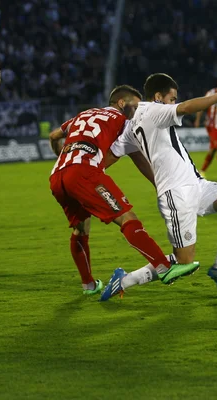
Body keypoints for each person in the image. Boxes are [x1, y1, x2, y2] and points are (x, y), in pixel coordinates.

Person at [100, 73, 217, 301]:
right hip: (176, 195)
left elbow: (111, 155)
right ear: (158, 97)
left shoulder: (131, 127)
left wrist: (83, 165)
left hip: (196, 184)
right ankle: (124, 280)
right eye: (171, 98)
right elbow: (186, 108)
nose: (173, 103)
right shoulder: (152, 110)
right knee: (184, 261)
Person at [48, 85, 199, 296]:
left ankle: (89, 286)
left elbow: (54, 136)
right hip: (83, 172)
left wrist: (62, 158)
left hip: (57, 177)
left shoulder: (83, 114)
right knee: (127, 217)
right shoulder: (122, 120)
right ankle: (164, 267)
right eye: (135, 106)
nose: (138, 111)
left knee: (81, 228)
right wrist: (160, 184)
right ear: (121, 103)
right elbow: (137, 156)